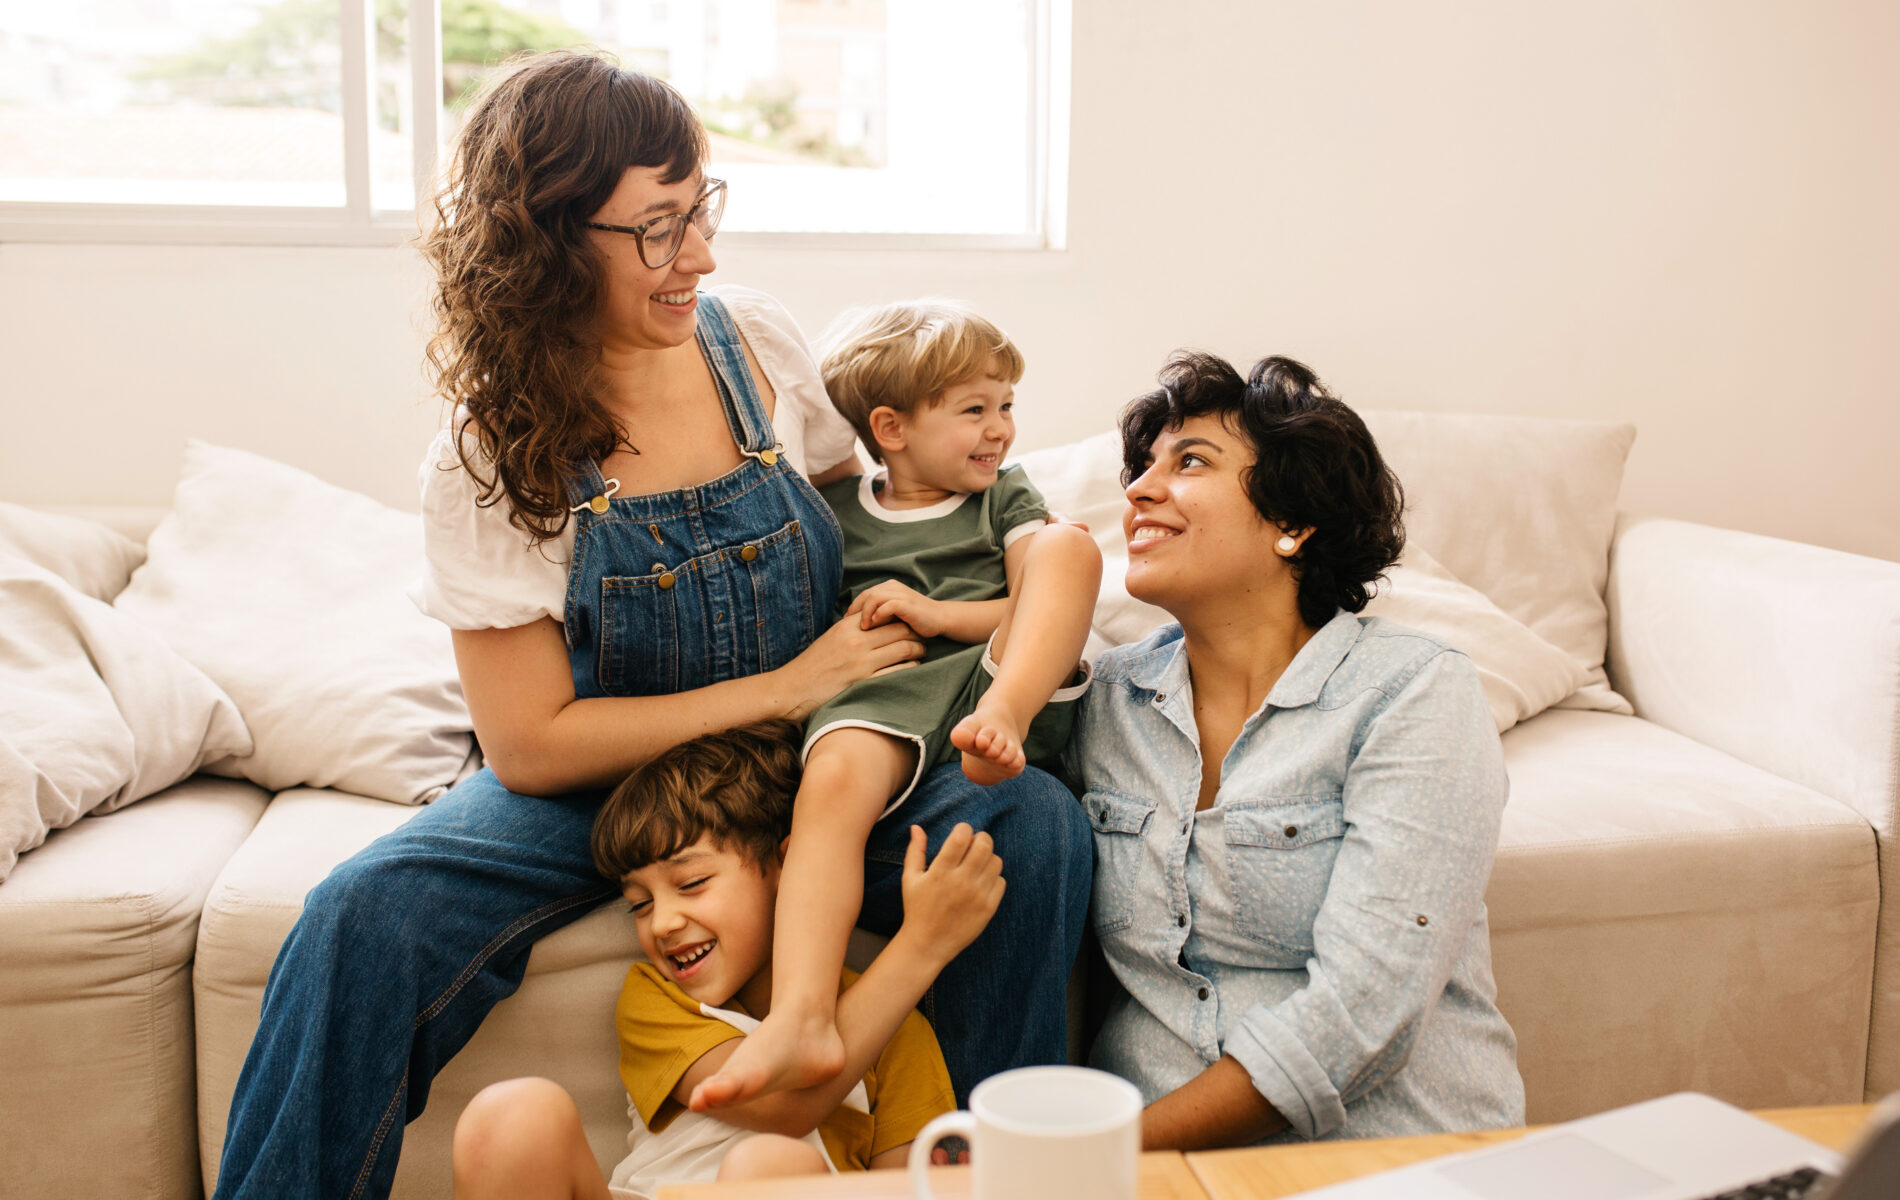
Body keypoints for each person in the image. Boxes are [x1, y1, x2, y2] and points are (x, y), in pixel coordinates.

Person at [209, 51, 1092, 1200]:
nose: (702, 258)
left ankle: (998, 1183)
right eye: (659, 231)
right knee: (358, 922)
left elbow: (874, 520)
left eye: (701, 211)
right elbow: (529, 743)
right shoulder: (490, 459)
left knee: (1025, 825)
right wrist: (780, 686)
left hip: (815, 754)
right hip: (601, 785)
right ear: (549, 243)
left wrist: (947, 633)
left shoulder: (757, 345)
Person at [1070, 351, 1525, 1149]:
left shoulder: (1414, 691)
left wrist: (1097, 1156)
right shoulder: (1107, 700)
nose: (1139, 490)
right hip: (1162, 1175)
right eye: (1142, 467)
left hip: (1394, 1155)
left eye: (1190, 462)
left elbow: (1363, 1011)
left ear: (1293, 522)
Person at [697, 301, 1101, 1109]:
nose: (1001, 431)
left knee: (1068, 544)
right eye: (974, 410)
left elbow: (1036, 599)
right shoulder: (838, 514)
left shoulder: (1004, 500)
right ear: (890, 427)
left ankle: (1008, 722)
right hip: (891, 690)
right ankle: (804, 1014)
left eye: (1007, 406)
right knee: (834, 781)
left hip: (995, 678)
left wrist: (944, 616)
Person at [450, 720, 1001, 1199]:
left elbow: (908, 1188)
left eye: (691, 883)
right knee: (511, 1116)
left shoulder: (896, 1030)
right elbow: (781, 1108)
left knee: (766, 1169)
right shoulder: (657, 999)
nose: (661, 922)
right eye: (639, 905)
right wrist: (920, 947)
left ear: (789, 865)